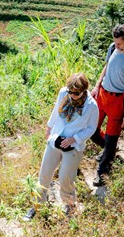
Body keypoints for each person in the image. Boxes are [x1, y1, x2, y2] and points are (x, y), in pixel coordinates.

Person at [25, 73, 99, 221]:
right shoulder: (63, 93)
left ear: (84, 91)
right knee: (44, 174)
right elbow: (55, 111)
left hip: (73, 147)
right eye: (70, 91)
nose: (72, 95)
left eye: (76, 93)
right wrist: (49, 128)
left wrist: (74, 139)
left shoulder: (91, 106)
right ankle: (37, 205)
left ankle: (70, 206)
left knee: (66, 178)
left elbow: (91, 128)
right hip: (56, 140)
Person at [90, 24, 124, 185]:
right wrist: (97, 85)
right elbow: (106, 66)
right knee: (92, 129)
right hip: (102, 96)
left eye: (120, 43)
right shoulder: (113, 47)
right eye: (115, 42)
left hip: (119, 100)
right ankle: (110, 151)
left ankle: (103, 171)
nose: (116, 46)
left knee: (111, 137)